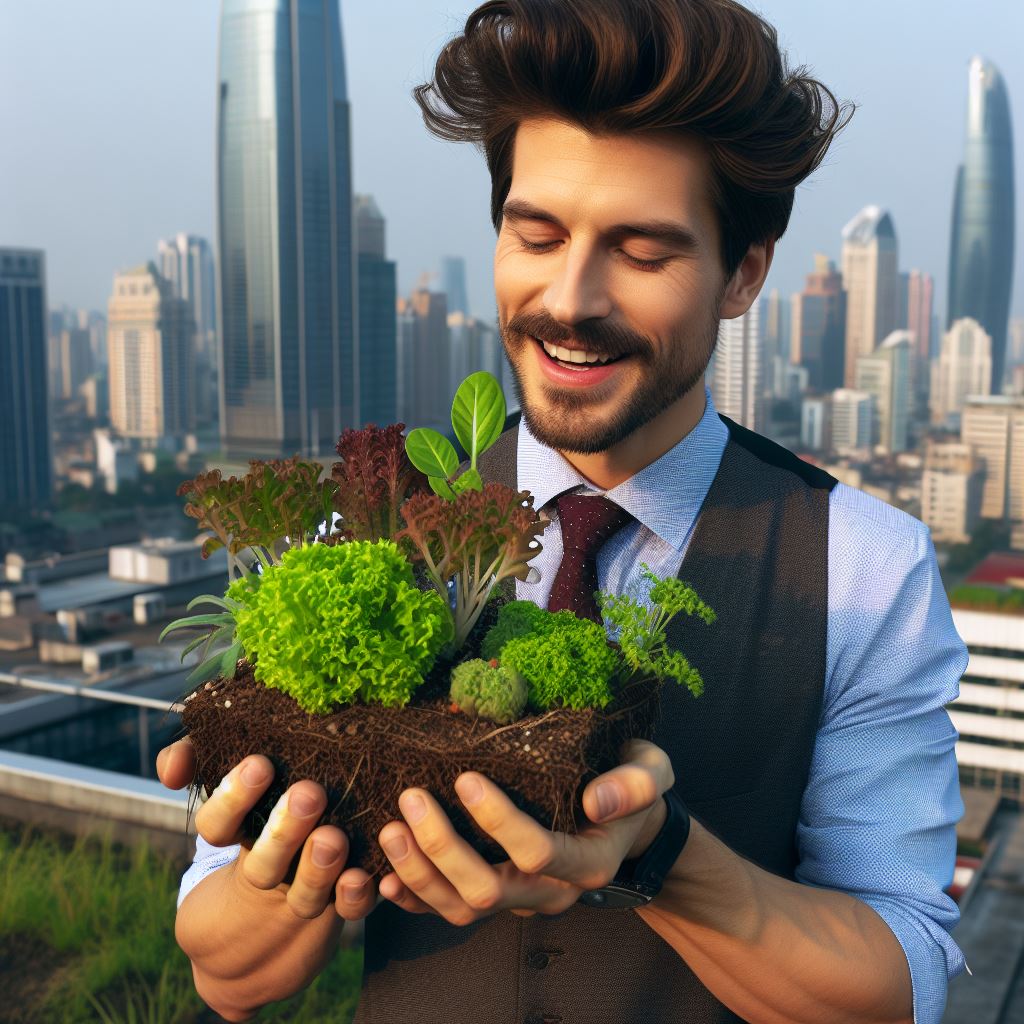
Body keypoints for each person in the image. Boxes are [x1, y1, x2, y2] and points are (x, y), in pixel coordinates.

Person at [157, 1, 969, 1021]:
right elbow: (227, 973)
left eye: (642, 252)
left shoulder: (860, 566)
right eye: (534, 234)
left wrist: (657, 853)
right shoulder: (373, 536)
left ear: (743, 272)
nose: (569, 298)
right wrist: (287, 864)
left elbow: (898, 988)